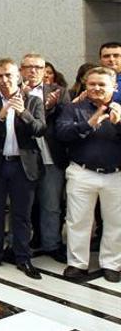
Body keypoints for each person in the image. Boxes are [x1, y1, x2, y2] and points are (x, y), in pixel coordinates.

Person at [0, 58, 46, 280]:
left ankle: (23, 256)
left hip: (23, 167)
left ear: (18, 75)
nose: (4, 80)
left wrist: (23, 112)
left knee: (22, 215)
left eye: (8, 75)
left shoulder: (33, 101)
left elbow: (40, 129)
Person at [55, 67, 121, 283]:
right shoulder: (73, 108)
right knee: (78, 220)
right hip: (82, 172)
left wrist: (119, 124)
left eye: (102, 84)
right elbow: (62, 134)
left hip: (115, 175)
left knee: (115, 222)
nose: (96, 88)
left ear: (114, 86)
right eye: (92, 84)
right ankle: (77, 264)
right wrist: (89, 123)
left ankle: (112, 264)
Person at [20, 53, 70, 263]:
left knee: (51, 205)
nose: (33, 71)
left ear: (45, 70)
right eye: (28, 67)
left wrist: (50, 109)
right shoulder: (14, 91)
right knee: (22, 206)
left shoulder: (59, 92)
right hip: (23, 157)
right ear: (21, 70)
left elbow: (66, 122)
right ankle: (20, 243)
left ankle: (52, 244)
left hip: (50, 156)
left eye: (38, 67)